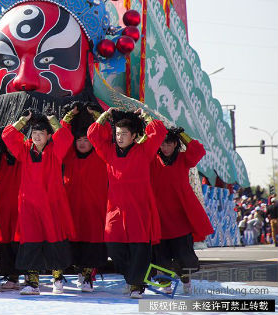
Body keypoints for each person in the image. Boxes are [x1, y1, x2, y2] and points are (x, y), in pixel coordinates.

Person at [87, 108, 166, 299]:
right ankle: (133, 278)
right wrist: (106, 115)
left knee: (139, 250)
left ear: (134, 136)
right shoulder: (109, 152)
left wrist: (145, 115)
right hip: (115, 211)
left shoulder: (144, 151)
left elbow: (160, 131)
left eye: (124, 134)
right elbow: (93, 135)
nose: (120, 137)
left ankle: (137, 285)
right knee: (113, 247)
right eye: (117, 134)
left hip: (139, 210)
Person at [2, 110, 74, 296]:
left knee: (54, 240)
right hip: (29, 206)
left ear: (49, 135)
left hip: (51, 205)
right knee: (30, 243)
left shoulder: (55, 151)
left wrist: (52, 120)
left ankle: (57, 276)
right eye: (34, 134)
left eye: (41, 134)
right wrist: (23, 120)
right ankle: (32, 283)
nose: (37, 137)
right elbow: (7, 135)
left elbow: (66, 137)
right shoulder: (24, 150)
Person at [151, 127, 214, 294]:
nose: (165, 148)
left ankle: (186, 279)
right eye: (162, 144)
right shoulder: (152, 160)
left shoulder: (183, 159)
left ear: (175, 144)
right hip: (159, 216)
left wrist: (182, 135)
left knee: (183, 254)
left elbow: (198, 150)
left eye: (169, 144)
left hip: (180, 217)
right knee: (161, 254)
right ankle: (165, 283)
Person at [58, 103, 108, 293]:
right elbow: (62, 137)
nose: (81, 143)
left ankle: (88, 275)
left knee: (92, 246)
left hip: (94, 212)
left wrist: (96, 115)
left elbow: (103, 134)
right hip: (72, 212)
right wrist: (69, 115)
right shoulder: (68, 156)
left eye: (86, 139)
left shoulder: (101, 155)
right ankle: (79, 272)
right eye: (79, 139)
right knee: (73, 245)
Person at [0, 139, 22, 289]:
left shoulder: (25, 158)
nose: (10, 147)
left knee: (21, 243)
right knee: (6, 243)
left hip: (21, 209)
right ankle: (11, 276)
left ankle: (20, 275)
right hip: (4, 208)